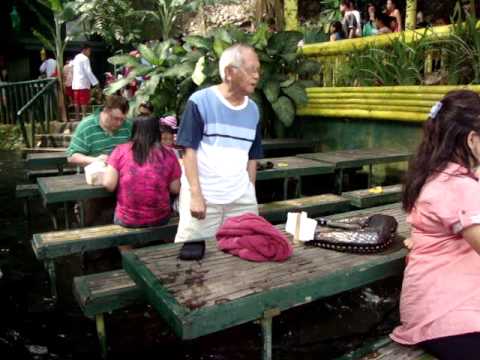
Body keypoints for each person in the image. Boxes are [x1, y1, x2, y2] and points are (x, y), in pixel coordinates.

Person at [391, 90, 480, 360]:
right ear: (473, 140)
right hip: (449, 317)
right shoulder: (457, 186)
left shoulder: (438, 176)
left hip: (441, 308)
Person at [174, 43, 263, 244]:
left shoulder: (254, 111)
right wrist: (196, 195)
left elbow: (252, 156)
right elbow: (188, 151)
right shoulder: (199, 102)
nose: (256, 76)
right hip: (204, 198)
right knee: (192, 258)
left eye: (258, 70)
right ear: (230, 72)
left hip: (241, 198)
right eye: (251, 70)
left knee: (244, 252)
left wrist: (250, 191)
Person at [102, 116, 181, 229]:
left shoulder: (120, 151)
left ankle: (127, 247)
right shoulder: (169, 154)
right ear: (157, 131)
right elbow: (175, 188)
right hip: (160, 218)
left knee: (106, 214)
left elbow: (109, 185)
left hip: (127, 219)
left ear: (134, 130)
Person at [72, 43, 99, 121]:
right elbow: (88, 72)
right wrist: (96, 83)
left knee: (76, 101)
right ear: (85, 50)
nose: (89, 52)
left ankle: (77, 117)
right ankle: (83, 116)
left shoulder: (76, 57)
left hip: (76, 84)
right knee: (84, 101)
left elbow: (71, 65)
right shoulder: (85, 58)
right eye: (89, 50)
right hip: (83, 83)